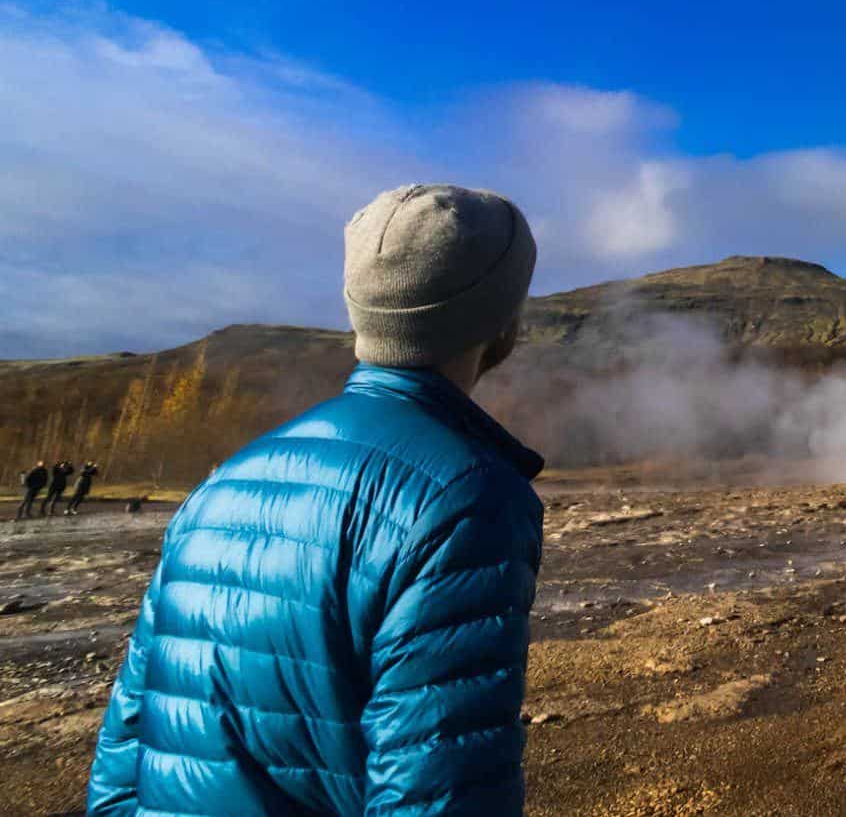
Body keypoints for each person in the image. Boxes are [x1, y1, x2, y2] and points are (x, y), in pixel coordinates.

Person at [90, 184, 543, 816]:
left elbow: (126, 745)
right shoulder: (467, 498)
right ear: (499, 321)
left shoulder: (222, 483)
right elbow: (440, 786)